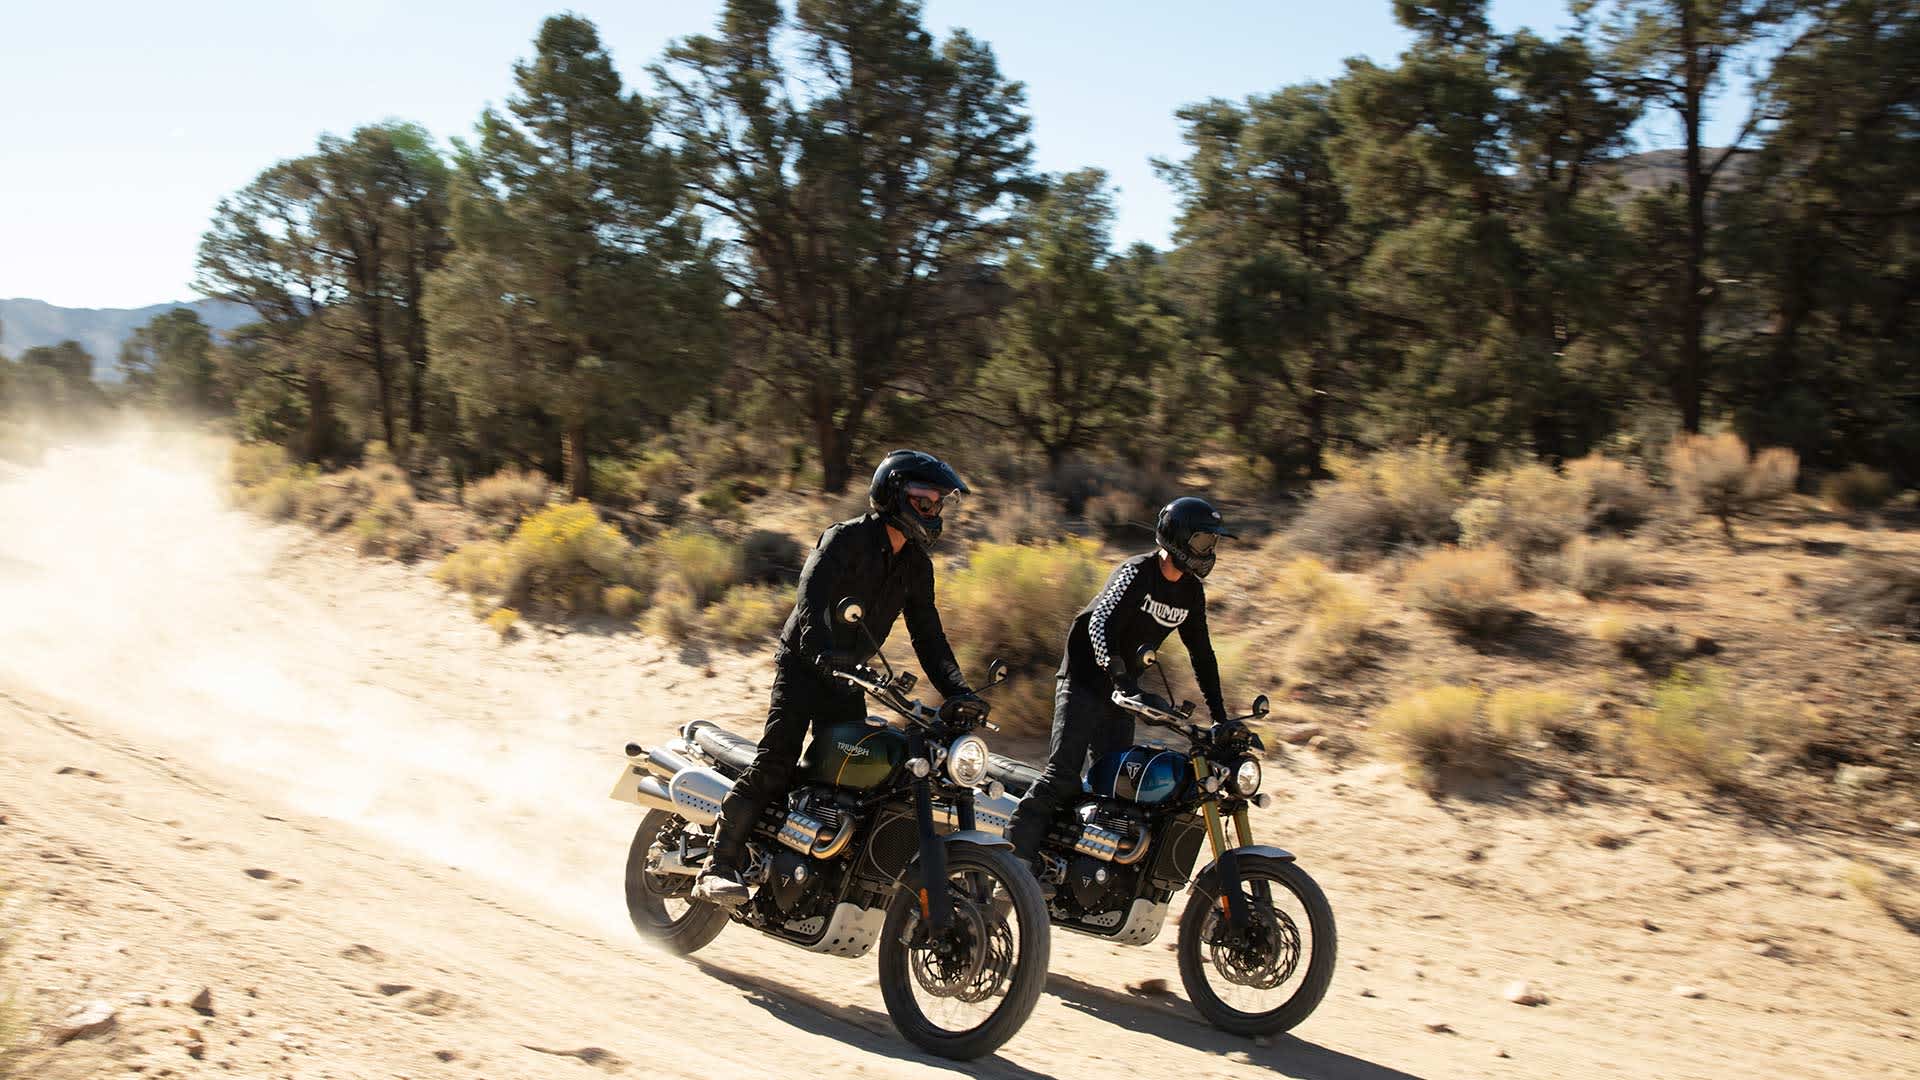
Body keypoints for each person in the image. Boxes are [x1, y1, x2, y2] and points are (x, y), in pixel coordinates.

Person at [693, 449, 980, 905]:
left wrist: (959, 691)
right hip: (805, 664)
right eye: (925, 500)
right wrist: (823, 650)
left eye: (939, 503)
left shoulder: (916, 566)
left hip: (850, 676)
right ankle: (719, 863)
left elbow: (928, 636)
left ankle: (817, 864)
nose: (934, 511)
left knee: (852, 771)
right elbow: (810, 599)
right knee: (778, 760)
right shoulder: (844, 539)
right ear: (894, 495)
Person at [1004, 496, 1236, 873]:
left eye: (1213, 543)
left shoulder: (1191, 591)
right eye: (1203, 542)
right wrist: (1119, 679)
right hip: (1084, 679)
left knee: (1114, 788)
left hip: (1123, 693)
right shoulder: (1136, 572)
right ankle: (1009, 868)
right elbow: (1098, 624)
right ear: (1177, 538)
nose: (1209, 551)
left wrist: (1221, 718)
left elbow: (1203, 655)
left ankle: (1076, 869)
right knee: (1062, 776)